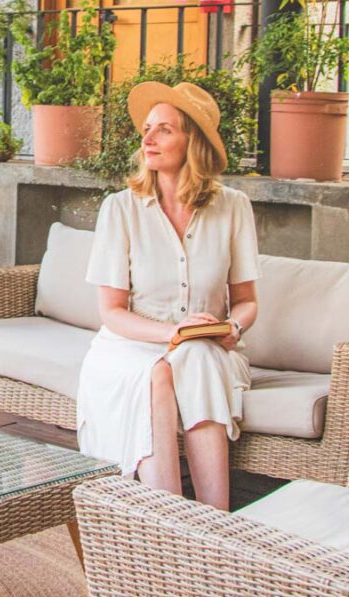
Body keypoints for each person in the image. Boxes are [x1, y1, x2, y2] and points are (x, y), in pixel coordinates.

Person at [77, 81, 260, 510]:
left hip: (206, 348)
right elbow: (113, 314)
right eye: (146, 128)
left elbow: (248, 301)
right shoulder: (120, 209)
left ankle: (215, 522)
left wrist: (233, 326)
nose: (148, 139)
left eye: (164, 129)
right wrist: (173, 331)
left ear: (191, 141)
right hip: (130, 346)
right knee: (160, 372)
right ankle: (171, 519)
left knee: (194, 357)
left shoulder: (233, 207)